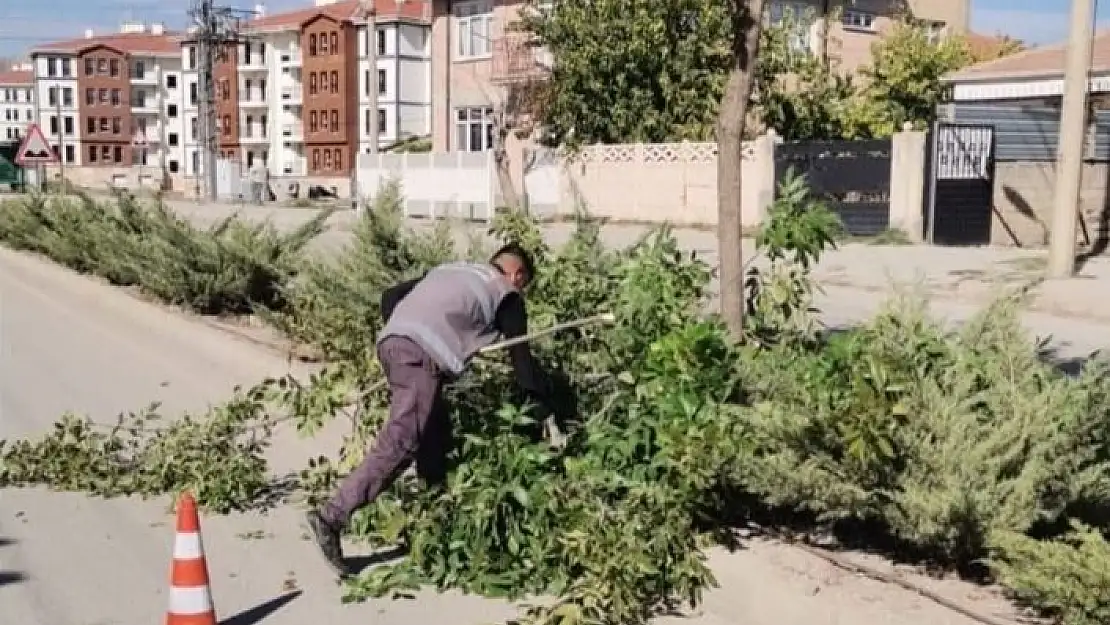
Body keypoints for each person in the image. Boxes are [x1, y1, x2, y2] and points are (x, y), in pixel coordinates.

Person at [305, 243, 564, 576]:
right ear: (518, 275)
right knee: (402, 441)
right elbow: (522, 364)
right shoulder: (506, 293)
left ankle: (432, 521)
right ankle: (331, 517)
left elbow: (389, 296)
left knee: (435, 431)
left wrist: (405, 337)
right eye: (524, 284)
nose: (521, 290)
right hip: (418, 357)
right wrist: (542, 411)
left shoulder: (450, 271)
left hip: (392, 344)